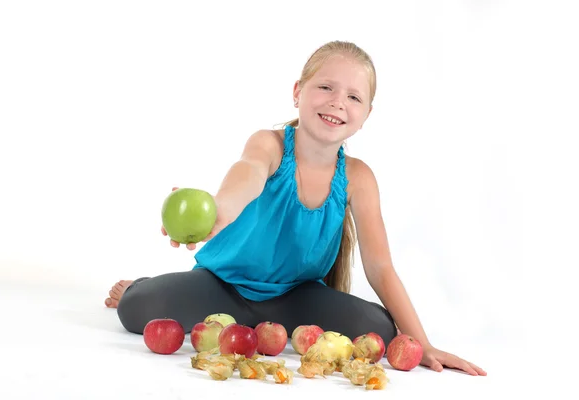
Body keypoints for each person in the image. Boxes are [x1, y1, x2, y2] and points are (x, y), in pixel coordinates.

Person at [104, 40, 486, 377]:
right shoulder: (269, 144)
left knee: (381, 329)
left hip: (296, 296)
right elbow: (247, 174)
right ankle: (150, 291)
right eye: (325, 87)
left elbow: (380, 268)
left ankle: (252, 327)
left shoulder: (358, 177)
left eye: (354, 97)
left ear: (367, 114)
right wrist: (220, 209)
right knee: (136, 311)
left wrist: (423, 343)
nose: (338, 101)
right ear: (298, 92)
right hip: (224, 286)